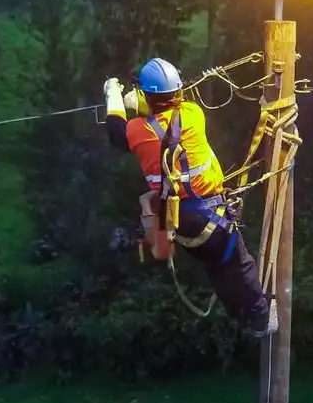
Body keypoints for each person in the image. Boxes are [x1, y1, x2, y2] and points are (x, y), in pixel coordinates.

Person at [102, 57, 277, 337]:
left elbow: (116, 134)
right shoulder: (194, 115)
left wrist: (114, 95)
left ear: (146, 96)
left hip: (179, 223)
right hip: (211, 216)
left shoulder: (136, 131)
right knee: (240, 264)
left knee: (217, 267)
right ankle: (260, 319)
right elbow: (172, 113)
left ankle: (239, 316)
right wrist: (147, 103)